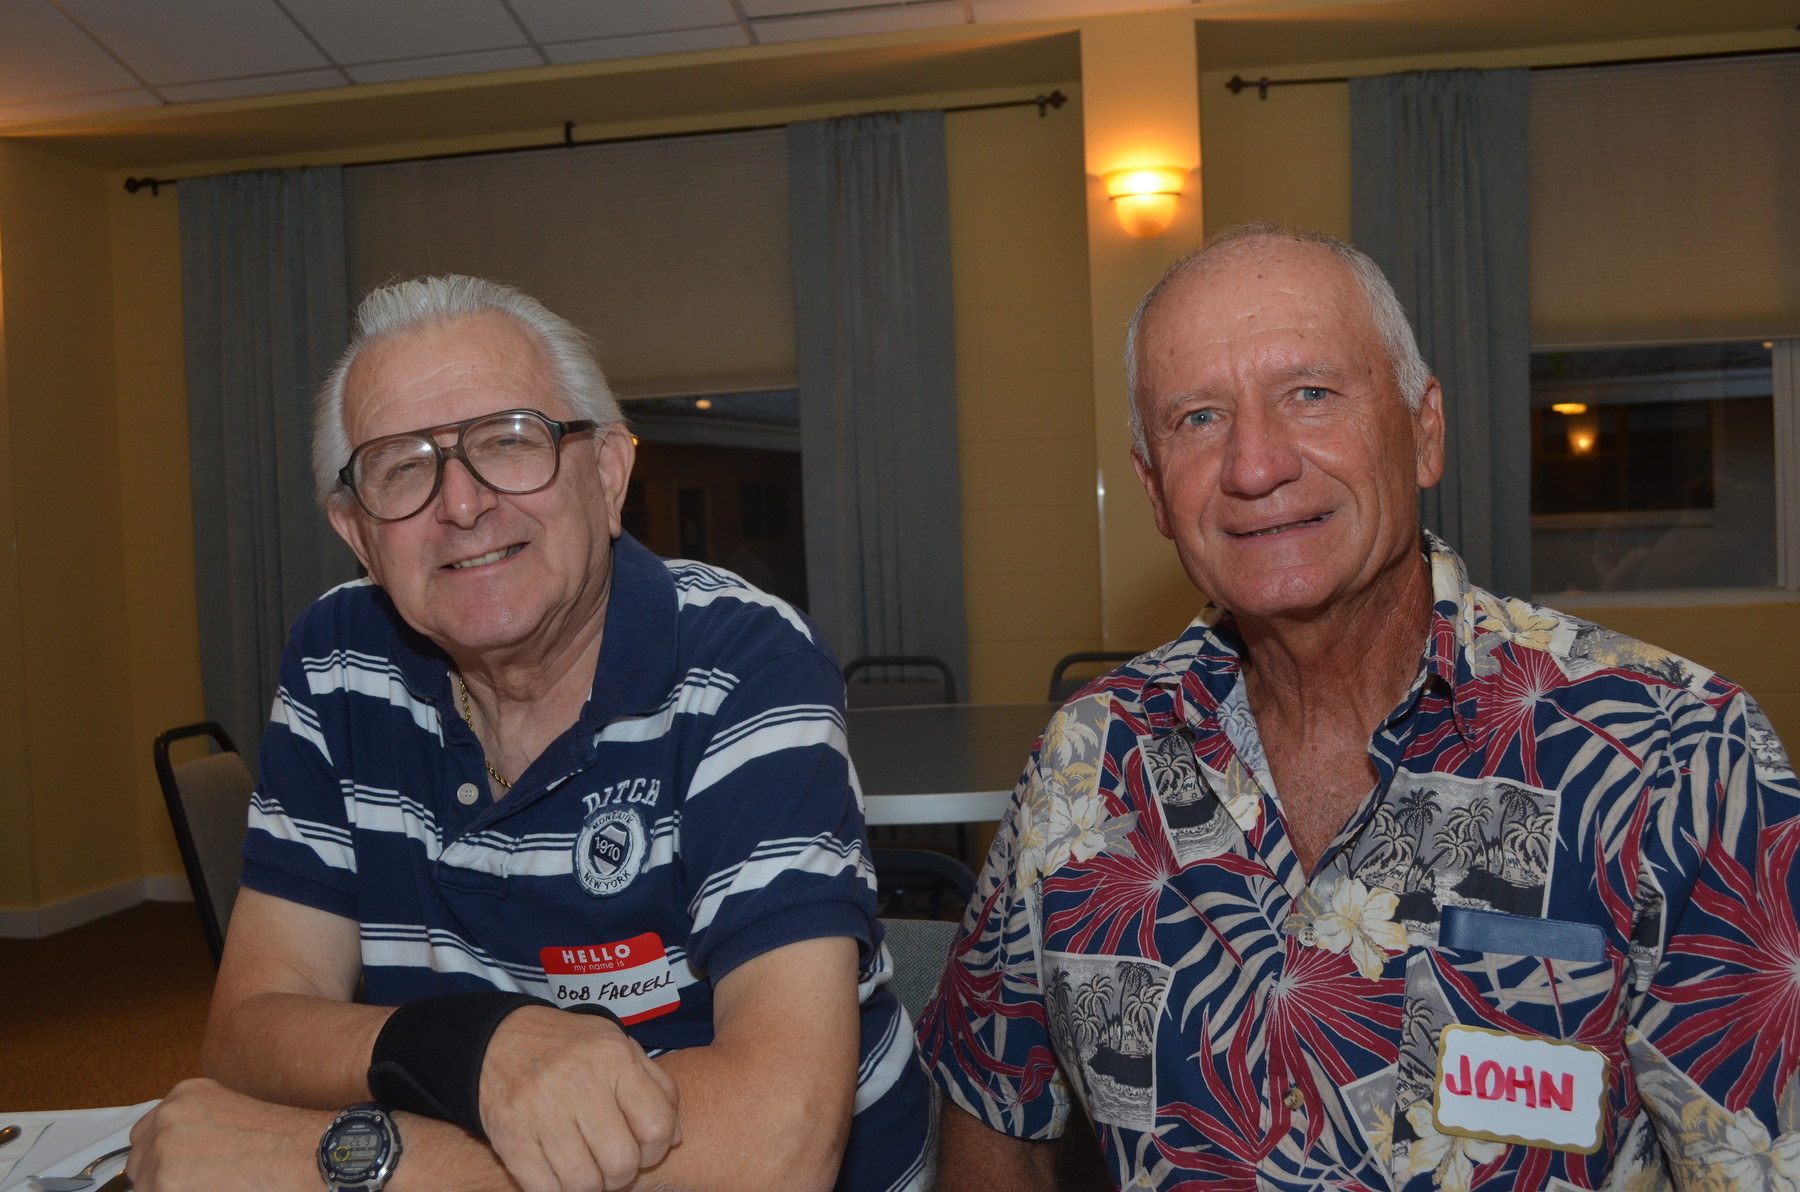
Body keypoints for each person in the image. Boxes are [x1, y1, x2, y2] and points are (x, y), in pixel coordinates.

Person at [919, 224, 1800, 1190]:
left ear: (1424, 432)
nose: (1255, 464)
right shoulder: (1089, 763)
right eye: (1199, 418)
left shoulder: (1674, 752)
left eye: (1311, 393)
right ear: (1155, 493)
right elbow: (992, 1107)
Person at [128, 275, 930, 1192]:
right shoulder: (337, 660)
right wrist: (475, 1049)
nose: (461, 504)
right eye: (401, 467)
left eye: (510, 441)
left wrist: (345, 1165)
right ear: (356, 533)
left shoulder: (743, 661)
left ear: (609, 474)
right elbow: (250, 1024)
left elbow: (774, 1147)